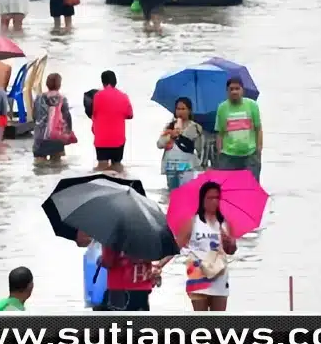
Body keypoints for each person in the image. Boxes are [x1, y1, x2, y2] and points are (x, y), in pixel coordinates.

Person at [165, 181, 238, 311]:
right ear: (202, 200)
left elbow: (231, 251)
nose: (214, 201)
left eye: (217, 198)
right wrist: (159, 265)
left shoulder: (226, 223)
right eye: (210, 198)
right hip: (197, 273)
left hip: (219, 274)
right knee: (201, 320)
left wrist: (229, 243)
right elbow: (177, 246)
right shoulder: (193, 221)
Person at [214, 77, 263, 182]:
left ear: (242, 90)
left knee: (251, 188)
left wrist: (259, 150)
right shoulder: (222, 108)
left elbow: (258, 129)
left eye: (237, 88)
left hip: (250, 155)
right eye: (231, 89)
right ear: (227, 91)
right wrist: (220, 152)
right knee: (227, 188)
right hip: (228, 156)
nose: (234, 92)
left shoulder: (252, 105)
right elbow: (219, 133)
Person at [91, 70, 133, 173]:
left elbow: (94, 113)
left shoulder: (97, 96)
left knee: (101, 166)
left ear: (103, 82)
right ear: (115, 81)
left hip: (101, 139)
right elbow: (130, 115)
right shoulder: (123, 96)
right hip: (118, 139)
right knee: (117, 165)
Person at [157, 97, 202, 190]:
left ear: (189, 111)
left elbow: (199, 148)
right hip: (171, 166)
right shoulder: (170, 126)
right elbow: (159, 144)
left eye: (183, 109)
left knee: (186, 192)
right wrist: (170, 136)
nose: (180, 112)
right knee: (172, 193)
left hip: (187, 166)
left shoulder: (195, 127)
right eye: (178, 109)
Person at [96, 245, 159, 311]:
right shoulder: (148, 236)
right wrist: (159, 265)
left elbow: (108, 262)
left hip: (118, 286)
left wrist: (100, 260)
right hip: (142, 285)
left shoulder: (112, 236)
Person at [33, 73, 74, 163]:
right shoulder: (62, 99)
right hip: (56, 135)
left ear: (47, 84)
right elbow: (67, 117)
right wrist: (68, 133)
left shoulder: (39, 98)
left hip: (41, 137)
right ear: (59, 85)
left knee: (39, 167)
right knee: (56, 167)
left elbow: (35, 116)